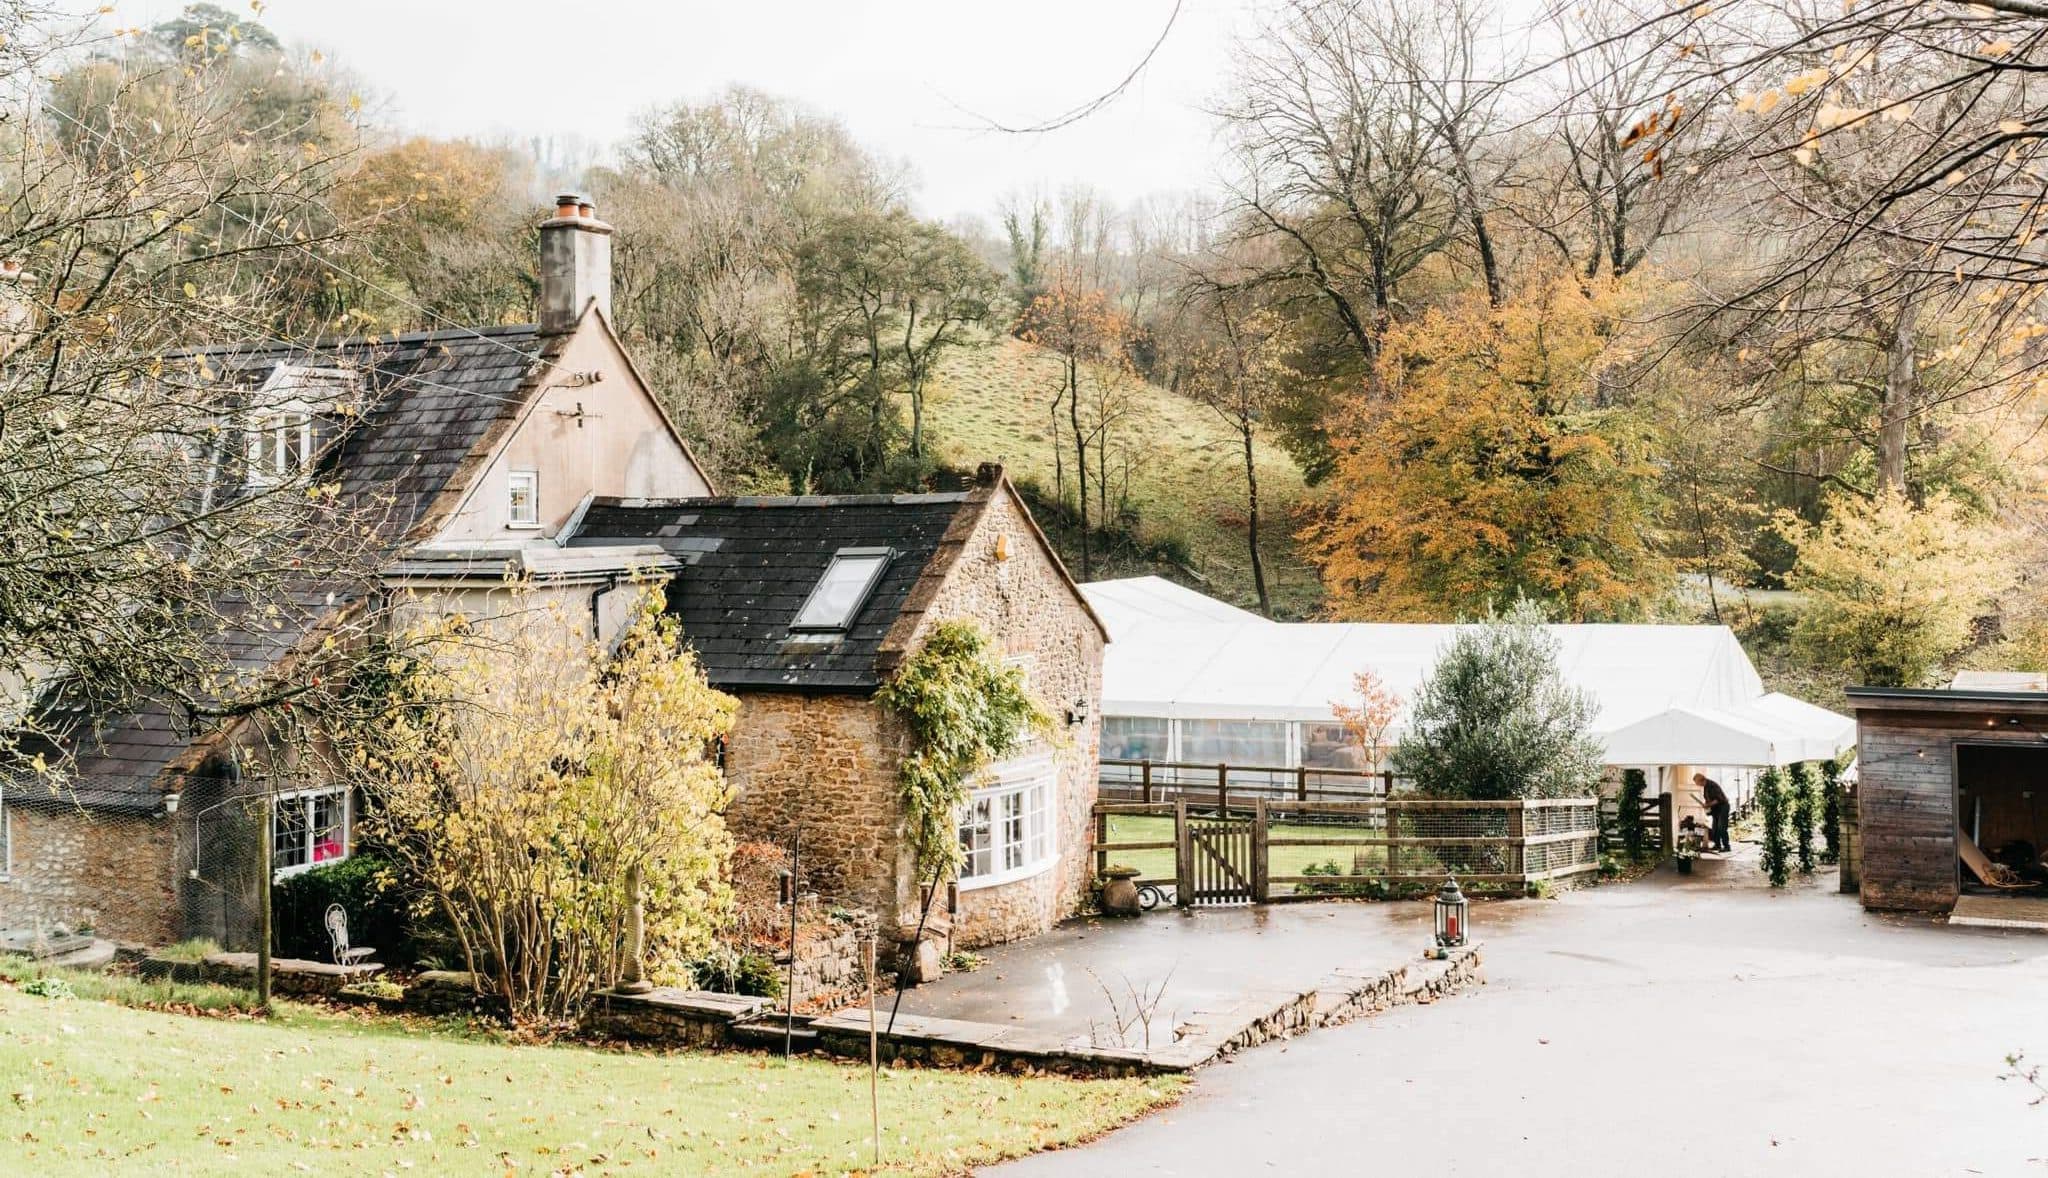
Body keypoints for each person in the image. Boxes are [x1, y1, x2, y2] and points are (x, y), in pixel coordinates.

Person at [1694, 773, 1732, 853]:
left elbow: (1717, 800)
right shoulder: (1706, 787)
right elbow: (1709, 799)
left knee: (1721, 827)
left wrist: (1707, 805)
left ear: (1701, 781)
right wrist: (1706, 805)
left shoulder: (1712, 785)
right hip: (1716, 809)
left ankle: (1726, 846)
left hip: (1723, 807)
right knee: (1715, 828)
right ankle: (1717, 845)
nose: (1696, 785)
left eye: (1696, 783)